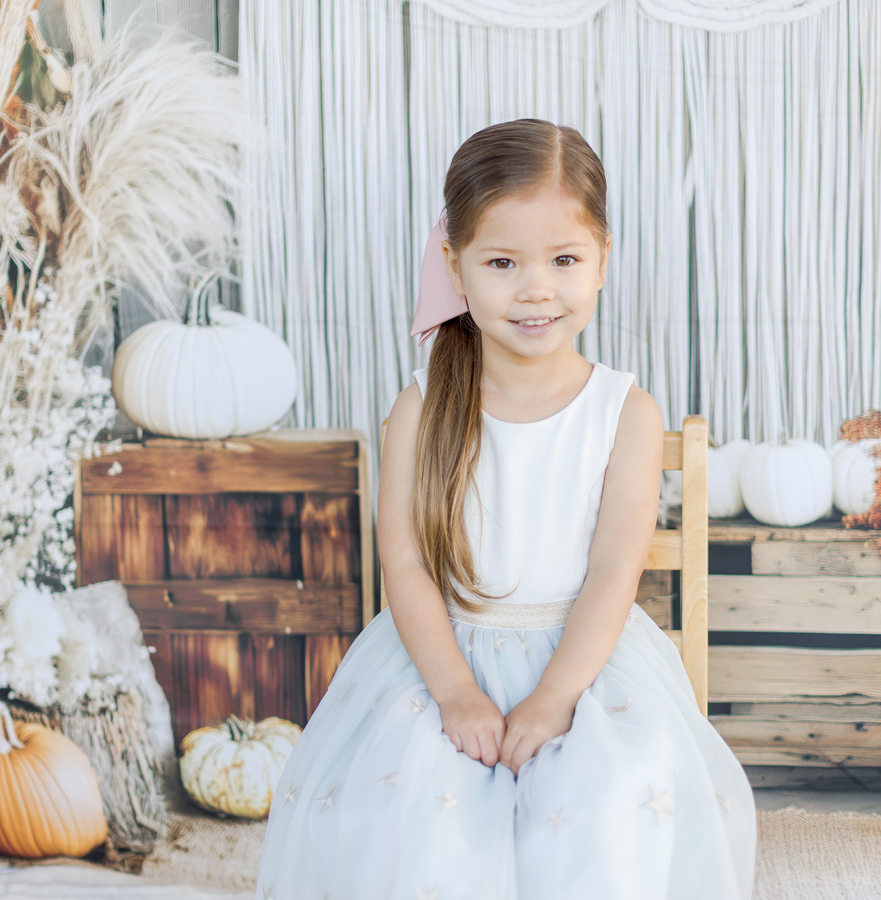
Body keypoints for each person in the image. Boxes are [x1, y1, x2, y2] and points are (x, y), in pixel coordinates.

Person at [255, 118, 756, 899]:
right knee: (410, 817)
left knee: (615, 808)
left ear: (602, 261)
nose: (536, 288)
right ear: (455, 266)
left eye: (564, 260)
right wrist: (455, 692)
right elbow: (408, 565)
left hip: (587, 661)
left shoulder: (624, 410)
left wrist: (556, 695)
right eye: (502, 262)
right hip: (437, 659)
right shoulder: (421, 408)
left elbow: (612, 572)